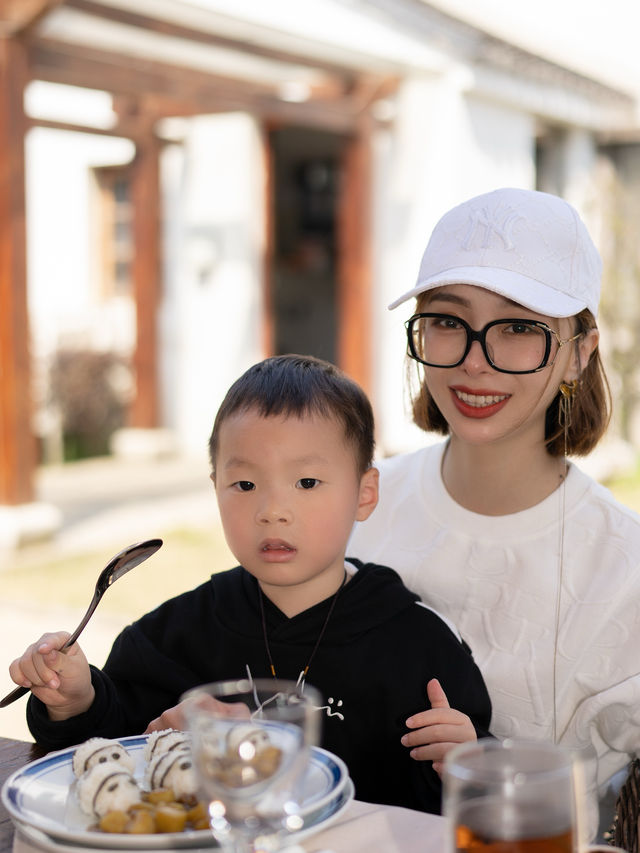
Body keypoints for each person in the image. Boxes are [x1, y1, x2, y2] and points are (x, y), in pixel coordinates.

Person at [10, 354, 492, 815]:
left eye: (306, 482)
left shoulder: (417, 643)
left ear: (364, 493)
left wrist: (465, 764)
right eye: (244, 485)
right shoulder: (174, 635)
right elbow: (106, 755)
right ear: (216, 485)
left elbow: (475, 781)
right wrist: (75, 700)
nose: (271, 510)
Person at [349, 187, 640, 827]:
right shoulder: (355, 504)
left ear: (579, 351)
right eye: (449, 320)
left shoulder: (625, 571)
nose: (475, 361)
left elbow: (600, 817)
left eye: (518, 328)